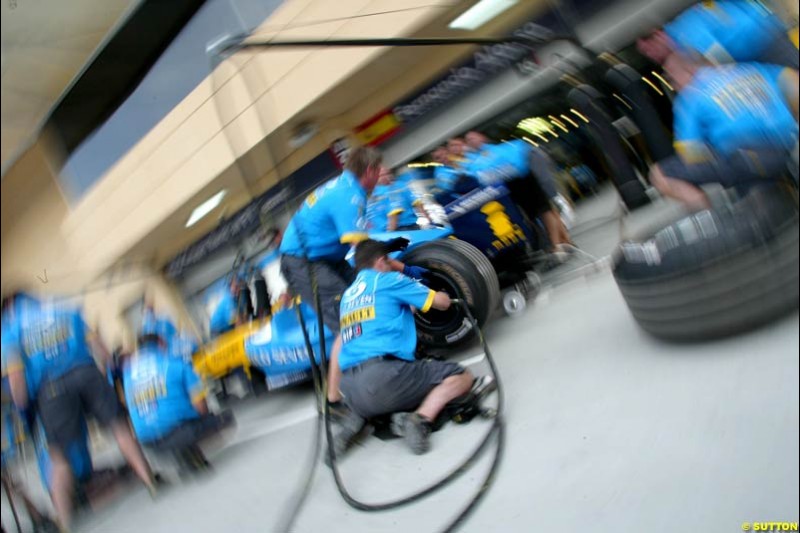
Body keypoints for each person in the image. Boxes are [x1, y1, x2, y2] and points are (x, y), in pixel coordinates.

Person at [280, 146, 425, 404]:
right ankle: (335, 399)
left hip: (325, 258)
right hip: (304, 262)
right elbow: (365, 255)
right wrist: (404, 272)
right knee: (350, 320)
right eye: (378, 170)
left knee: (365, 294)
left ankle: (398, 351)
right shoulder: (349, 196)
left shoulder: (348, 187)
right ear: (368, 171)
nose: (381, 175)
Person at [1, 291, 156, 531]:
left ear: (10, 306)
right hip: (86, 372)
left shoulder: (11, 329)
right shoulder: (65, 306)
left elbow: (16, 378)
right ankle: (150, 481)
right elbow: (99, 347)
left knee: (59, 457)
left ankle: (63, 523)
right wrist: (107, 373)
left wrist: (23, 408)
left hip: (51, 389)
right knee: (119, 428)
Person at [332, 240, 476, 456]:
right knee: (461, 376)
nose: (391, 266)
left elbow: (382, 317)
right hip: (383, 379)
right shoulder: (388, 279)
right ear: (381, 262)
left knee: (380, 391)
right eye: (389, 262)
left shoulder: (348, 297)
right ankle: (419, 419)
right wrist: (444, 296)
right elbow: (441, 303)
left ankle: (360, 416)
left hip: (350, 388)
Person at [648, 52, 799, 208]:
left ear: (688, 71)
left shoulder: (691, 95)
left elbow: (690, 153)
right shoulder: (751, 69)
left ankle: (713, 217)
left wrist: (711, 144)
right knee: (743, 169)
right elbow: (794, 81)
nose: (674, 86)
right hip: (784, 149)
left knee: (660, 174)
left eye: (672, 79)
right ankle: (769, 198)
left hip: (744, 158)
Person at [122, 314, 233, 475]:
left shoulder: (128, 376)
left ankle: (180, 455)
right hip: (180, 432)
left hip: (147, 441)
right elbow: (201, 406)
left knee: (169, 419)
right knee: (220, 417)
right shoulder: (175, 364)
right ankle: (190, 452)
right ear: (161, 343)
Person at [460, 132, 574, 254]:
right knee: (536, 214)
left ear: (482, 137)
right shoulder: (477, 159)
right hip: (512, 188)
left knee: (545, 211)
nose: (471, 141)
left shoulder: (502, 149)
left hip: (525, 181)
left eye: (472, 138)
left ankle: (556, 244)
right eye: (468, 140)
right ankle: (563, 241)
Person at [637, 0, 798, 69]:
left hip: (763, 43)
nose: (651, 55)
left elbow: (721, 62)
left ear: (657, 35)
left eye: (649, 49)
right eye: (646, 54)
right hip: (764, 31)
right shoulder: (685, 24)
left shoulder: (683, 33)